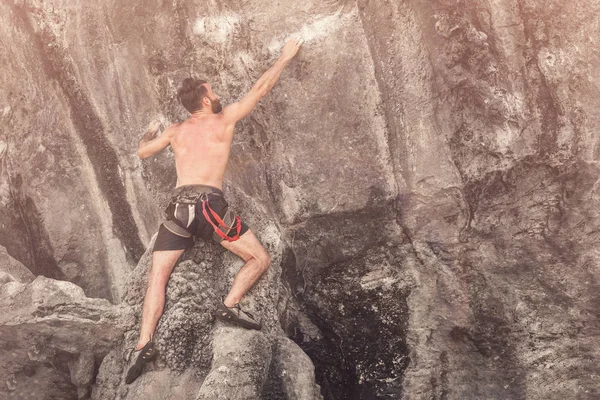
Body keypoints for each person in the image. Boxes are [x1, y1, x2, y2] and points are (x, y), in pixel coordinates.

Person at [125, 38, 304, 384]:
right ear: (206, 99)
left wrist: (147, 133)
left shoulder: (176, 131)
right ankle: (230, 304)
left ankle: (143, 344)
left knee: (157, 278)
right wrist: (283, 57)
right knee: (260, 259)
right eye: (214, 90)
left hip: (177, 210)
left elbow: (143, 153)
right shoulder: (222, 120)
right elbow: (261, 87)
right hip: (208, 206)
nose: (217, 93)